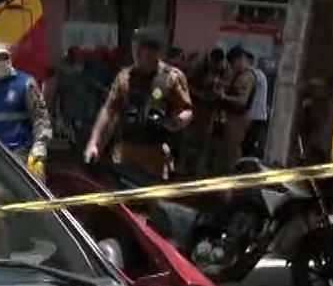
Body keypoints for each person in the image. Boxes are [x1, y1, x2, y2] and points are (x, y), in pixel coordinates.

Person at [82, 27, 193, 180]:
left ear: (155, 54)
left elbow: (186, 109)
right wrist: (94, 142)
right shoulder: (124, 78)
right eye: (136, 50)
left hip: (155, 154)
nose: (138, 55)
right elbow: (109, 111)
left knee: (151, 201)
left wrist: (177, 121)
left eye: (143, 51)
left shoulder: (171, 78)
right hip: (126, 151)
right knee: (121, 199)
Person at [0, 39, 52, 176]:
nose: (3, 61)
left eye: (5, 57)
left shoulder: (25, 84)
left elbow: (41, 119)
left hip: (19, 157)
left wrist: (39, 148)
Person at [216, 45, 258, 172]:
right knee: (227, 152)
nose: (232, 67)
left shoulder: (248, 76)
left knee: (232, 153)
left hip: (238, 119)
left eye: (233, 63)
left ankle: (230, 185)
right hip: (233, 118)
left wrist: (224, 97)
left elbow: (242, 101)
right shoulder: (239, 75)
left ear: (241, 59)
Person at [242, 51, 270, 158]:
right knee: (255, 145)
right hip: (260, 116)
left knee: (248, 146)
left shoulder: (254, 75)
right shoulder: (259, 75)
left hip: (254, 117)